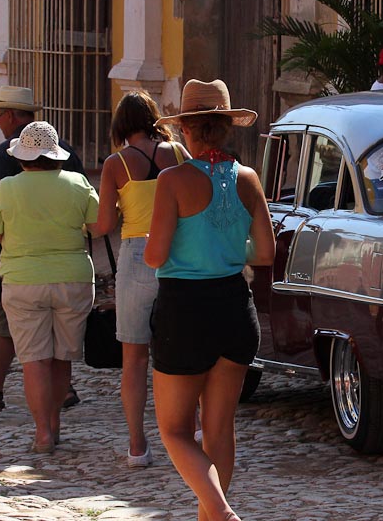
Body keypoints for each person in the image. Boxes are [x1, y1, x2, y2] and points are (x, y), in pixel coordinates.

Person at [144, 79, 275, 521]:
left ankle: (221, 512)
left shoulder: (172, 180)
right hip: (235, 306)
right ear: (226, 127)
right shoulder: (248, 178)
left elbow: (155, 255)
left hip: (185, 310)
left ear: (185, 128)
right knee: (219, 428)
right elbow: (265, 252)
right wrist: (225, 248)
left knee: (175, 430)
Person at [0, 86, 83, 413]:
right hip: (67, 260)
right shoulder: (66, 150)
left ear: (12, 115)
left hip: (20, 260)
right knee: (57, 328)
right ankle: (62, 389)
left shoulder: (6, 153)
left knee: (6, 327)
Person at [0, 121, 99, 453]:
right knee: (62, 358)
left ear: (22, 157)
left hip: (22, 281)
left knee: (34, 360)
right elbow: (98, 226)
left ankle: (42, 433)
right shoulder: (78, 182)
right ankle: (56, 424)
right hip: (73, 279)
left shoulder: (8, 187)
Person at [92, 90, 190, 468]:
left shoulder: (116, 164)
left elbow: (104, 223)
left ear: (121, 124)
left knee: (134, 357)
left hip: (136, 255)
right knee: (184, 346)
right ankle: (195, 428)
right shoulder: (177, 153)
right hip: (177, 251)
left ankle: (137, 446)